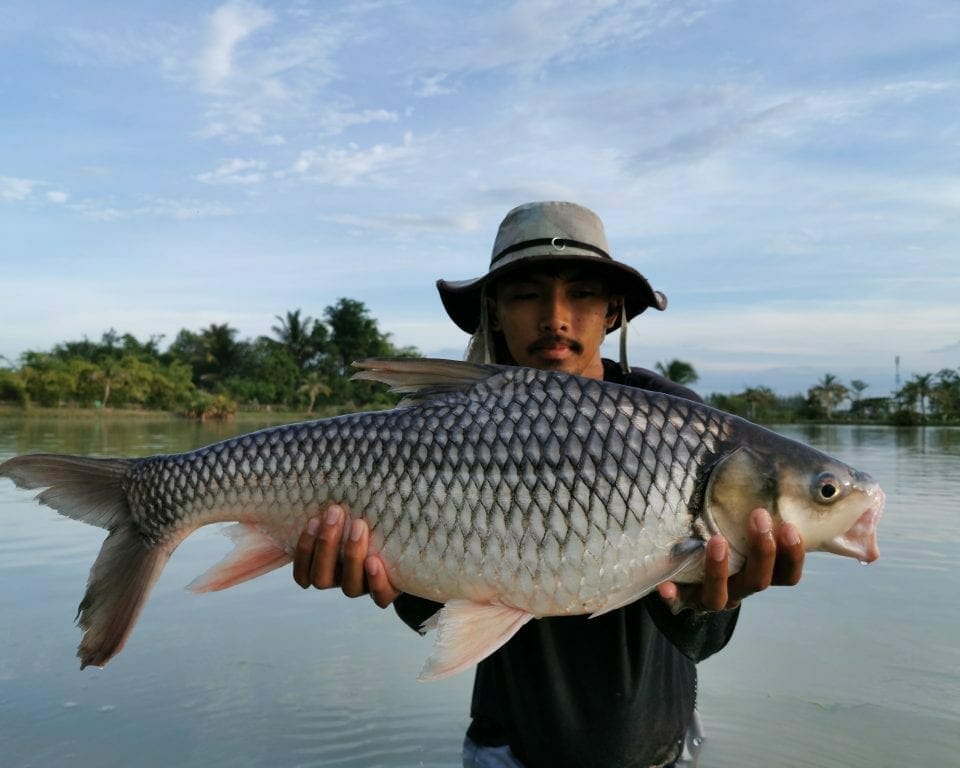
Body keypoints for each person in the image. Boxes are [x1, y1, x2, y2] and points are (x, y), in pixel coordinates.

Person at [292, 201, 805, 767]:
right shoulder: (454, 418)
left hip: (652, 744)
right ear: (494, 311)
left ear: (612, 312)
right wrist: (381, 576)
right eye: (526, 294)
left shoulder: (677, 421)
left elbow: (703, 642)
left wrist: (711, 600)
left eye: (582, 293)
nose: (555, 318)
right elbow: (434, 603)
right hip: (506, 746)